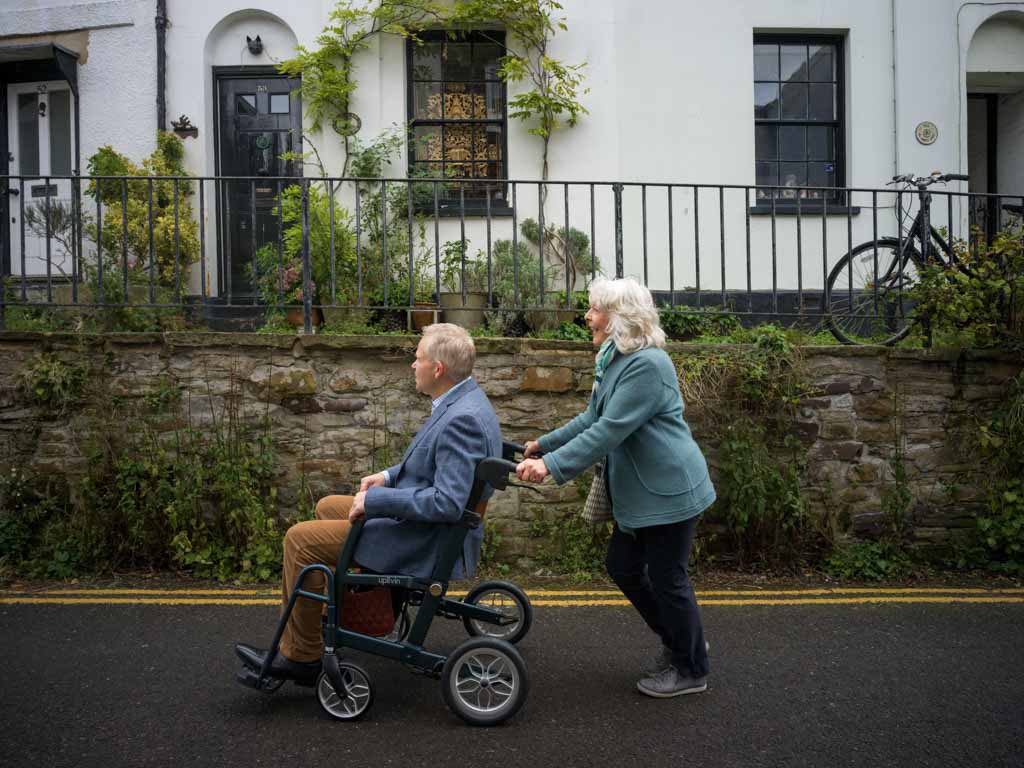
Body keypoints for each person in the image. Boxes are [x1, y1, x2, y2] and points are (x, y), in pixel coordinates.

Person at [236, 323, 502, 684]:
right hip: (426, 528)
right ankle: (346, 613)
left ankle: (302, 656)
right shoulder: (463, 400)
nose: (412, 364)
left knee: (299, 540)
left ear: (438, 368)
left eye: (418, 357)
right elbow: (431, 465)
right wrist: (388, 477)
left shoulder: (462, 419)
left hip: (426, 541)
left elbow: (447, 502)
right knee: (329, 506)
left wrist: (377, 500)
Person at [516, 277, 716, 698]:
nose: (587, 316)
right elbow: (593, 416)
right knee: (623, 566)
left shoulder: (647, 365)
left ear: (619, 317)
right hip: (645, 495)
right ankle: (683, 640)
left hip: (669, 493)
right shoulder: (618, 358)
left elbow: (610, 430)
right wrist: (544, 444)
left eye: (594, 309)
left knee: (667, 579)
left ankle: (691, 667)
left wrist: (550, 466)